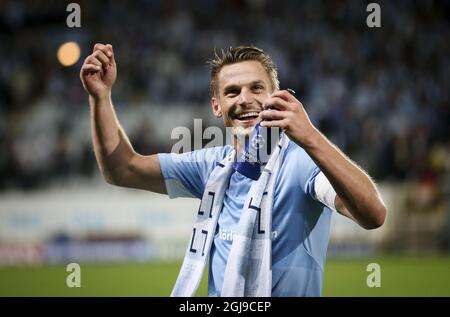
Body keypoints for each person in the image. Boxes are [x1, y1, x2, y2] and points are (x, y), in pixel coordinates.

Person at [80, 44, 387, 297]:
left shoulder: (303, 162)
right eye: (232, 92)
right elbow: (124, 169)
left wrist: (310, 137)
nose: (244, 99)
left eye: (257, 88)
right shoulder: (211, 166)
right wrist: (101, 97)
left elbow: (373, 214)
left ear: (275, 96)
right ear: (217, 107)